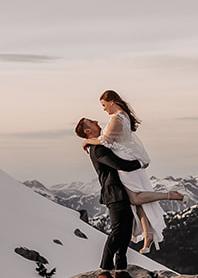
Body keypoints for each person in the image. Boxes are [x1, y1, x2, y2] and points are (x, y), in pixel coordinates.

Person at [79, 90, 184, 252]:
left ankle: (172, 195)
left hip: (126, 164)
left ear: (112, 101)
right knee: (135, 200)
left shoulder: (117, 118)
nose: (104, 109)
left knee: (135, 198)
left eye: (104, 105)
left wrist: (87, 141)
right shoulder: (122, 116)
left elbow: (106, 141)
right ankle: (148, 235)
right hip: (128, 160)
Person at [76, 117, 146, 278]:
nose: (97, 122)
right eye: (92, 122)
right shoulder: (97, 149)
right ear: (87, 131)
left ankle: (121, 269)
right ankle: (104, 271)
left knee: (125, 230)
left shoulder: (97, 145)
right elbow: (119, 164)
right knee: (117, 231)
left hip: (120, 192)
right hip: (114, 193)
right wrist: (140, 162)